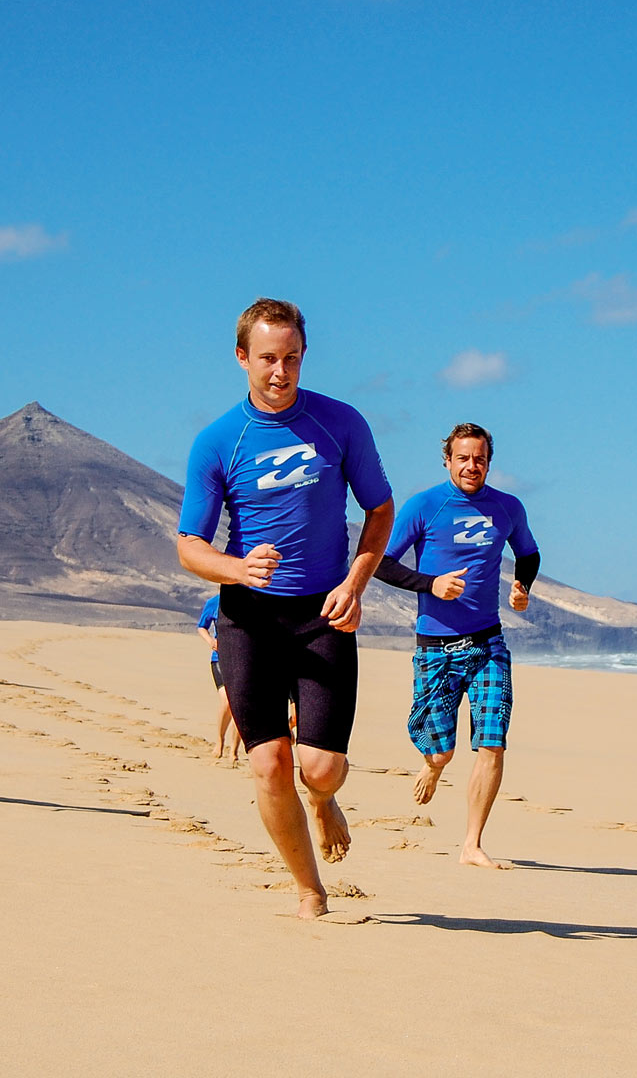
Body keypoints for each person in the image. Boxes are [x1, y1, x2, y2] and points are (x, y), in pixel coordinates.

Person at [177, 298, 394, 919]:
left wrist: (355, 583)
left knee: (319, 769)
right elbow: (189, 546)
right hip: (248, 618)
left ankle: (323, 801)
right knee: (269, 763)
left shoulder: (340, 422)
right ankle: (309, 890)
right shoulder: (217, 441)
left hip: (324, 613)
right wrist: (237, 569)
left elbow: (380, 511)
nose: (281, 372)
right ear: (242, 357)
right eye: (268, 359)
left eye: (292, 358)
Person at [375, 422, 540, 868]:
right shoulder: (424, 506)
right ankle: (434, 764)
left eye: (480, 459)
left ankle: (472, 844)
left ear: (489, 463)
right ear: (447, 460)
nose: (472, 466)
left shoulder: (507, 507)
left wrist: (522, 586)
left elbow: (528, 554)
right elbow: (381, 564)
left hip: (488, 643)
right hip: (436, 647)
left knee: (492, 742)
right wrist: (431, 583)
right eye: (463, 458)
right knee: (440, 749)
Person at [196, 594, 241, 761]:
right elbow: (201, 627)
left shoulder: (251, 599)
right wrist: (210, 641)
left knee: (239, 705)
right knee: (227, 701)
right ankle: (220, 741)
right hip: (220, 658)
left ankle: (234, 750)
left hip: (243, 660)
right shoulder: (214, 602)